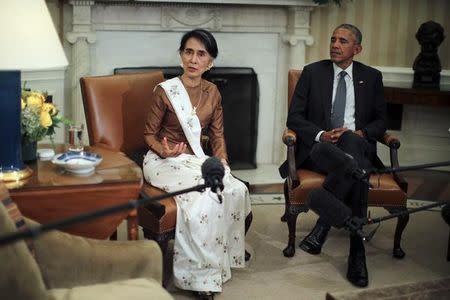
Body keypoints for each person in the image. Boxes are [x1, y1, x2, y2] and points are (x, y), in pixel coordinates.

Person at [142, 28, 252, 299]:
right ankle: (199, 276)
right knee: (204, 194)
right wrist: (163, 150)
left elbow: (217, 135)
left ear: (210, 61)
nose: (193, 59)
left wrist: (223, 162)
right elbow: (148, 135)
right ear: (181, 55)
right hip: (161, 161)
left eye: (200, 54)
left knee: (235, 189)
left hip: (194, 159)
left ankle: (218, 251)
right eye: (188, 52)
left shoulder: (213, 92)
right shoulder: (165, 92)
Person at [279, 24, 387, 287]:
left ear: (357, 49)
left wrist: (361, 133)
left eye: (343, 41)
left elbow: (381, 121)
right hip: (321, 150)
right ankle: (356, 253)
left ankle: (326, 227)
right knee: (356, 167)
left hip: (354, 146)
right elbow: (294, 117)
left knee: (352, 152)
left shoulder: (371, 77)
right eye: (333, 39)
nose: (335, 45)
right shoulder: (312, 73)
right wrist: (321, 135)